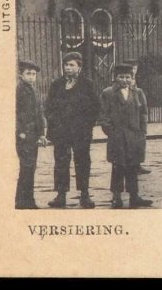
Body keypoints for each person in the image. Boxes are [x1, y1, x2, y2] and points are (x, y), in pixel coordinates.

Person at [45, 52, 100, 209]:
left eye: (71, 65)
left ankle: (84, 195)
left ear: (79, 67)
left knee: (82, 162)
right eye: (66, 65)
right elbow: (48, 106)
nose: (68, 68)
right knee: (61, 162)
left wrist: (87, 124)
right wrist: (54, 121)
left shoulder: (87, 84)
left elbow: (95, 107)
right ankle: (60, 195)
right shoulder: (57, 84)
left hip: (80, 132)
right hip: (61, 132)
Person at [99, 63, 152, 208]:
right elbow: (103, 115)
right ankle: (116, 197)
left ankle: (134, 196)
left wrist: (142, 132)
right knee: (118, 167)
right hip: (117, 137)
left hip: (134, 136)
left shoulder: (138, 92)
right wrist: (111, 132)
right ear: (115, 78)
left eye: (128, 77)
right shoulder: (108, 93)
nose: (125, 80)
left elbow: (144, 113)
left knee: (133, 167)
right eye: (121, 77)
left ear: (132, 78)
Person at [16, 60, 47, 209]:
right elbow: (15, 113)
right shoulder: (19, 90)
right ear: (21, 75)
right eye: (28, 73)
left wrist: (41, 134)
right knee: (27, 167)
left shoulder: (33, 90)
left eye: (34, 74)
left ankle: (27, 200)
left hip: (33, 135)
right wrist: (20, 132)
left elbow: (38, 114)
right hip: (24, 135)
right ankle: (23, 201)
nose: (31, 77)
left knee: (30, 167)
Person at [124, 60, 151, 176]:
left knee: (139, 143)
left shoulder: (138, 81)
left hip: (137, 113)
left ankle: (137, 164)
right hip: (127, 115)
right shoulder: (124, 79)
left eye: (135, 68)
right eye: (132, 68)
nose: (134, 70)